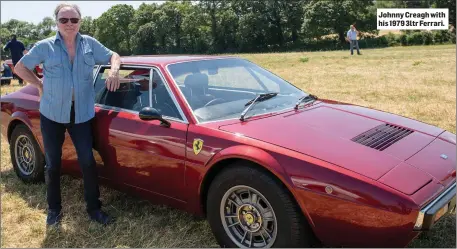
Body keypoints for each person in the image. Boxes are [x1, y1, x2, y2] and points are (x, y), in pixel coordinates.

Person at [14, 2, 121, 226]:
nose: (69, 24)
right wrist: (39, 84)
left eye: (74, 20)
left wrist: (113, 70)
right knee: (53, 164)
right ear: (57, 23)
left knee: (88, 161)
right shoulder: (45, 46)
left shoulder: (89, 44)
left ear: (80, 21)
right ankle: (54, 210)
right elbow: (20, 68)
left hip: (82, 114)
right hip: (52, 113)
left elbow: (114, 55)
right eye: (64, 20)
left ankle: (94, 209)